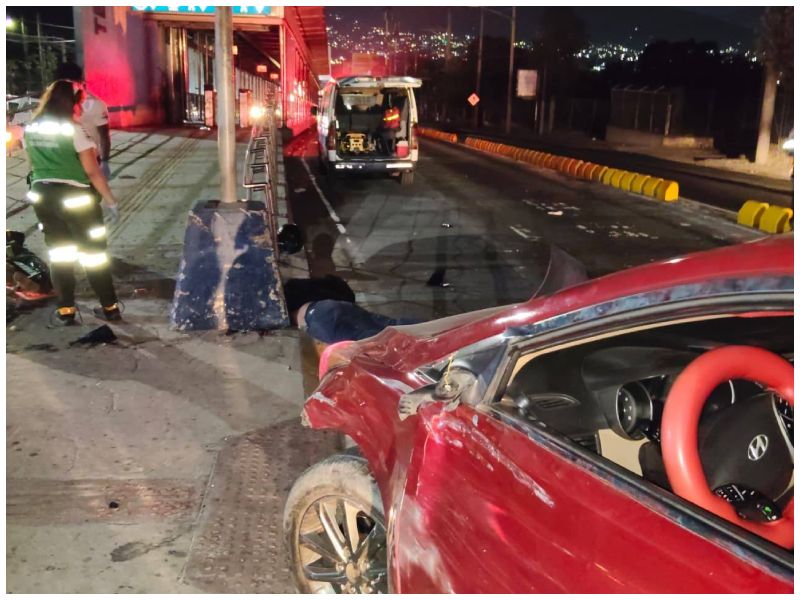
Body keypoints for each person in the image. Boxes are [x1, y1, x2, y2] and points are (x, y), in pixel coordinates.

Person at [23, 79, 121, 325]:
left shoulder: (31, 127)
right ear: (72, 103)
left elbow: (31, 164)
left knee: (60, 254)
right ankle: (109, 307)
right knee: (94, 254)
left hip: (43, 197)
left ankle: (66, 309)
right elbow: (92, 172)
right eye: (80, 102)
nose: (81, 107)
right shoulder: (72, 129)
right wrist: (110, 200)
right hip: (75, 197)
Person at [54, 62, 112, 179]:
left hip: (89, 162)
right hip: (59, 161)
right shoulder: (50, 105)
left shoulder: (95, 104)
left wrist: (105, 162)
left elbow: (104, 135)